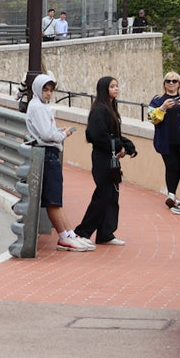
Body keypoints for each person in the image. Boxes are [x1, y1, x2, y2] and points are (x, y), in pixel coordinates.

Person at [25, 75, 91, 251]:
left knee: (56, 199)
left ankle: (70, 234)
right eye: (45, 90)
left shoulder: (40, 106)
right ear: (38, 90)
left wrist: (58, 131)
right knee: (53, 200)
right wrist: (63, 134)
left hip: (49, 154)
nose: (48, 94)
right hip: (47, 154)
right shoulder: (38, 107)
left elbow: (46, 131)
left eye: (50, 90)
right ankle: (63, 236)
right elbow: (46, 135)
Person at [74, 76, 136, 247]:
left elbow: (114, 134)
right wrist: (118, 146)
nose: (116, 89)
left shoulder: (111, 108)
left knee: (112, 195)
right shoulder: (99, 110)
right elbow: (97, 135)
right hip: (103, 158)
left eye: (116, 86)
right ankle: (82, 232)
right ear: (104, 89)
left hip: (111, 158)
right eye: (112, 86)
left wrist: (128, 146)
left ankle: (105, 233)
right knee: (103, 195)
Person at [149, 71, 180, 214]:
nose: (171, 83)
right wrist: (162, 108)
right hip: (165, 140)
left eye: (174, 81)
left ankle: (172, 195)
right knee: (171, 166)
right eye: (168, 81)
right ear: (164, 84)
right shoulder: (158, 99)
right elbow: (152, 118)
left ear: (179, 83)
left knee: (178, 167)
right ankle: (171, 194)